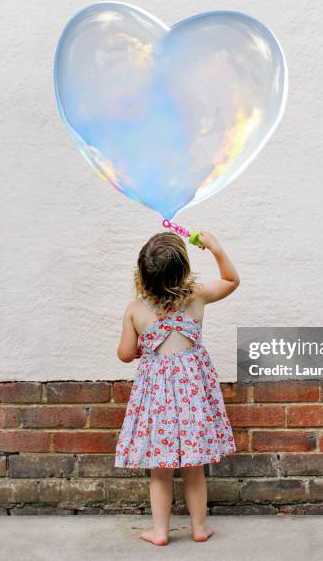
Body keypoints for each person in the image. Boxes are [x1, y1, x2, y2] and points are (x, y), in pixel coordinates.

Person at [115, 230, 240, 545]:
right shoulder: (195, 297)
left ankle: (160, 531)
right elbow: (231, 281)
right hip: (192, 396)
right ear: (184, 268)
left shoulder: (135, 309)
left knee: (161, 469)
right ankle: (199, 528)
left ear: (142, 273)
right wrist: (214, 246)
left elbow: (126, 354)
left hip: (157, 400)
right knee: (194, 466)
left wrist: (148, 345)